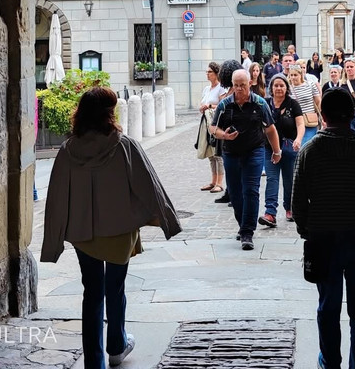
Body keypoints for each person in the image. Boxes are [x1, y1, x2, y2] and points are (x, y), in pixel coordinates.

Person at [42, 86, 181, 369]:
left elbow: (56, 197)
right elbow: (148, 184)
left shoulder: (68, 150)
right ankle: (117, 345)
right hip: (119, 228)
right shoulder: (124, 145)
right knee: (115, 288)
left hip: (83, 232)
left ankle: (95, 362)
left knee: (92, 292)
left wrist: (53, 242)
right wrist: (168, 220)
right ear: (109, 113)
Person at [292, 88, 355, 369]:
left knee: (327, 307)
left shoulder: (310, 152)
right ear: (353, 115)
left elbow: (297, 202)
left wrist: (308, 230)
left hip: (323, 238)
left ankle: (330, 362)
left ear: (323, 116)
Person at [210, 69, 282, 250]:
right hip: (231, 153)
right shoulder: (225, 105)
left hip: (254, 151)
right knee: (235, 193)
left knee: (251, 190)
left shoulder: (260, 103)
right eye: (236, 85)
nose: (239, 89)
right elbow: (213, 128)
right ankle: (243, 224)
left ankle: (247, 232)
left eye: (242, 85)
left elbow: (270, 129)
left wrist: (276, 151)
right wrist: (224, 135)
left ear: (250, 83)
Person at [259, 74, 305, 226]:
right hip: (270, 149)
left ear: (286, 88)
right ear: (271, 88)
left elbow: (300, 124)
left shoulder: (293, 104)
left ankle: (290, 207)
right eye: (276, 85)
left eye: (282, 85)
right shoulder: (265, 103)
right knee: (272, 179)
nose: (279, 88)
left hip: (289, 148)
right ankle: (270, 213)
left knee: (289, 179)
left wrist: (298, 139)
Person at [212, 59, 241, 205]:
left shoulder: (235, 91)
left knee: (234, 167)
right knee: (229, 165)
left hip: (232, 132)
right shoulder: (229, 91)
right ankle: (230, 192)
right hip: (224, 132)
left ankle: (233, 194)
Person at [197, 61, 225, 193]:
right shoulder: (206, 89)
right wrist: (202, 108)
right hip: (206, 122)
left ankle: (220, 182)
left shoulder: (221, 88)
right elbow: (202, 103)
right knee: (210, 152)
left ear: (216, 73)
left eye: (210, 72)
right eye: (207, 72)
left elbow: (222, 105)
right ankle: (213, 181)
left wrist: (209, 106)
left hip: (216, 122)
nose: (207, 74)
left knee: (217, 152)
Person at [288, 62, 320, 144]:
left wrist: (315, 112)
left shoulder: (310, 84)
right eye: (291, 75)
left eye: (295, 75)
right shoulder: (288, 88)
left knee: (307, 144)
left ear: (300, 75)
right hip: (294, 121)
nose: (293, 77)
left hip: (309, 119)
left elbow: (317, 100)